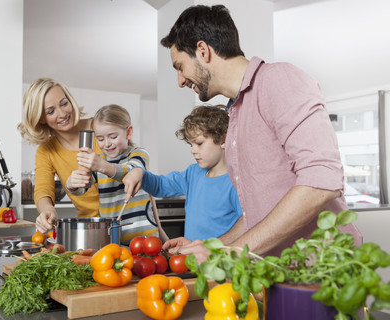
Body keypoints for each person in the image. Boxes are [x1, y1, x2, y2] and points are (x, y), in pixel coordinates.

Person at [127, 4, 362, 262]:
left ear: (203, 51)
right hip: (277, 272)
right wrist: (210, 246)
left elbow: (321, 181)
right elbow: (256, 214)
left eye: (180, 66)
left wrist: (233, 252)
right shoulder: (236, 114)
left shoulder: (277, 80)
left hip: (322, 270)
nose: (180, 80)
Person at [123, 105, 242, 242]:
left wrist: (209, 248)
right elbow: (160, 186)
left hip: (219, 261)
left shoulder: (236, 182)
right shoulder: (193, 173)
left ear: (223, 140)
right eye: (191, 145)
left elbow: (246, 225)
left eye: (199, 143)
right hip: (191, 260)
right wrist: (140, 173)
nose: (193, 150)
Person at [67, 104, 162, 245]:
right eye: (100, 139)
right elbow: (82, 189)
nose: (106, 144)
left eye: (112, 136)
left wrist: (102, 166)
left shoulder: (138, 154)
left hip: (146, 238)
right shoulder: (100, 162)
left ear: (128, 132)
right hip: (114, 238)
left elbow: (132, 171)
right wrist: (71, 183)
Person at [17, 77, 101, 234]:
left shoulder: (100, 126)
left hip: (131, 220)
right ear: (41, 118)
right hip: (93, 229)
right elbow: (43, 191)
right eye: (51, 111)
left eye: (64, 103)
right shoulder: (46, 151)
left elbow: (132, 164)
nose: (62, 114)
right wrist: (48, 210)